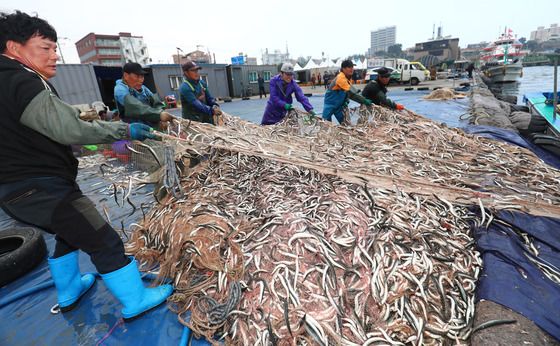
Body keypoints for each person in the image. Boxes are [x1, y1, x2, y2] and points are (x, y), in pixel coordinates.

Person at [0, 11, 173, 319]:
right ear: (15, 48)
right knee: (101, 236)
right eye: (46, 48)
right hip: (41, 188)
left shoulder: (6, 80)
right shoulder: (20, 81)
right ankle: (135, 300)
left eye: (55, 48)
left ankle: (69, 291)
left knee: (67, 233)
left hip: (15, 193)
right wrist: (123, 130)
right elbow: (69, 129)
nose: (54, 55)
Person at [114, 62, 174, 129]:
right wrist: (158, 115)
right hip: (133, 130)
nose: (141, 80)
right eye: (137, 76)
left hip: (150, 127)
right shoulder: (120, 89)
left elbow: (157, 103)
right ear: (126, 76)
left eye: (142, 76)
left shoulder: (144, 88)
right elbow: (135, 107)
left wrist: (161, 114)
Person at [322, 60, 372, 124]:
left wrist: (346, 100)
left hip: (340, 106)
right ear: (343, 69)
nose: (352, 69)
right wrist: (364, 100)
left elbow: (348, 92)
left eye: (352, 67)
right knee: (325, 125)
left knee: (347, 126)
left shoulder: (348, 78)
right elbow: (352, 93)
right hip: (330, 105)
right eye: (349, 67)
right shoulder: (341, 78)